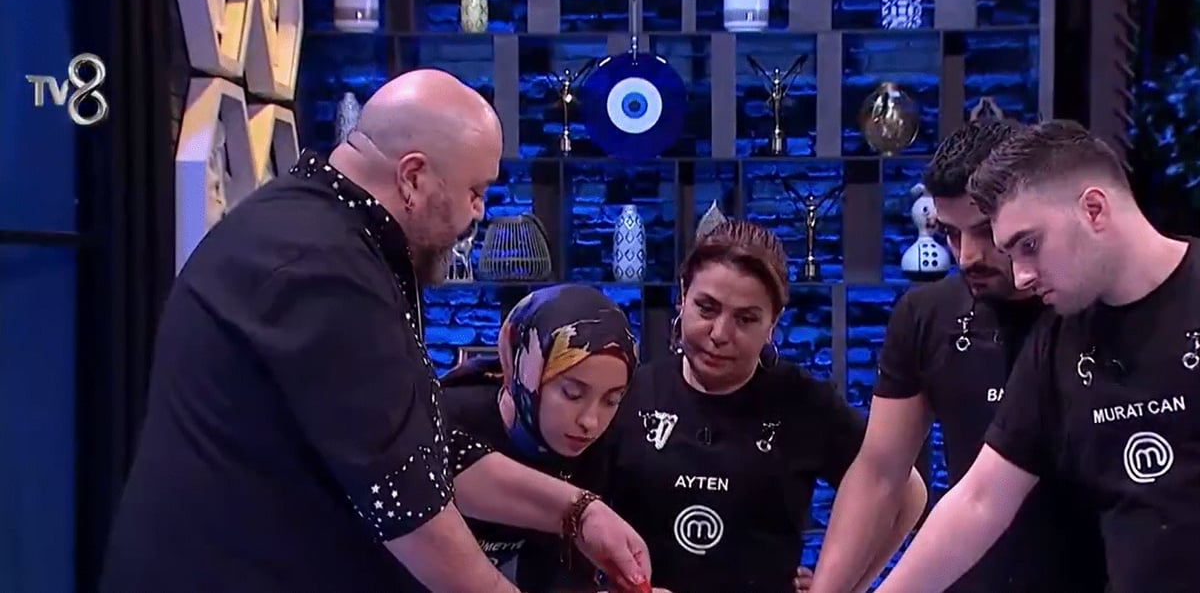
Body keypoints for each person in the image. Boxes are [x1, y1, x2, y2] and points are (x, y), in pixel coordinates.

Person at [99, 70, 651, 593]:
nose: (478, 213)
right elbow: (406, 501)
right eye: (475, 191)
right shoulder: (319, 264)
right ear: (413, 177)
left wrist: (579, 513)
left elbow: (421, 446)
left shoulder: (326, 232)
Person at [876, 120, 1200, 593]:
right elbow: (980, 500)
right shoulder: (1058, 339)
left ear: (1094, 209)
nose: (1022, 275)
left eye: (1029, 245)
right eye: (1011, 253)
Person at [812, 120, 1107, 592]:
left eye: (986, 232)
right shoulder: (926, 316)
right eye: (950, 234)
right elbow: (880, 474)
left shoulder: (1093, 310)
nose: (968, 256)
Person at [603, 219, 928, 593]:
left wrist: (842, 585)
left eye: (745, 319)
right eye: (706, 308)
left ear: (773, 322)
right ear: (682, 297)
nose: (720, 334)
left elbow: (906, 492)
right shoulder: (629, 394)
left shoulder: (804, 403)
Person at [439, 283, 645, 591]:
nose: (590, 422)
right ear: (525, 372)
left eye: (612, 400)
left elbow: (560, 574)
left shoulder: (601, 447)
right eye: (572, 394)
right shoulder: (445, 419)